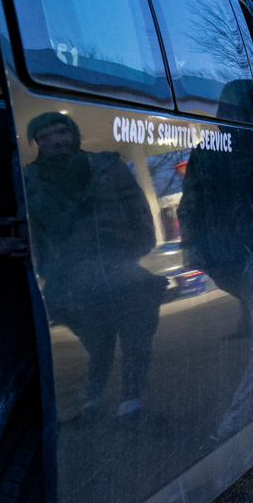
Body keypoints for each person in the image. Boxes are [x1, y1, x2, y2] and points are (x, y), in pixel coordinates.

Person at [23, 112, 165, 418]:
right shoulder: (29, 182)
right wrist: (50, 272)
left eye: (61, 131)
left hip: (122, 271)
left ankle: (131, 402)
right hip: (72, 281)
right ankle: (91, 402)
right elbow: (34, 233)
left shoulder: (106, 166)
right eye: (45, 136)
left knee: (136, 336)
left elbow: (137, 206)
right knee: (98, 343)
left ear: (74, 135)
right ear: (37, 143)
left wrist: (135, 250)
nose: (55, 140)